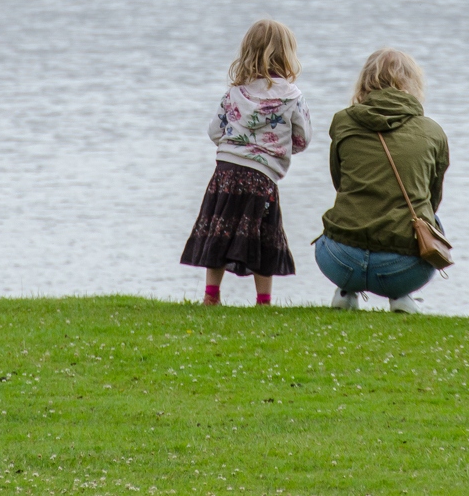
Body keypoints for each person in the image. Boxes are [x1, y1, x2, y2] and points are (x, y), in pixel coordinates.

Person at [180, 19, 311, 306]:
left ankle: (211, 295)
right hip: (262, 176)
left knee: (219, 228)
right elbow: (303, 138)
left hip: (225, 171)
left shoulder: (234, 93)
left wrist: (235, 145)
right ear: (287, 55)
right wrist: (277, 148)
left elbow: (214, 131)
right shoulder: (292, 96)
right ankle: (263, 299)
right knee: (264, 233)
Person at [315, 48, 449, 314]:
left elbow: (340, 182)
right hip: (404, 269)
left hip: (340, 261)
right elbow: (433, 199)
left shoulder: (343, 122)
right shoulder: (432, 132)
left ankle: (345, 291)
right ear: (412, 83)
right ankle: (401, 296)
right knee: (432, 221)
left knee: (350, 209)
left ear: (365, 81)